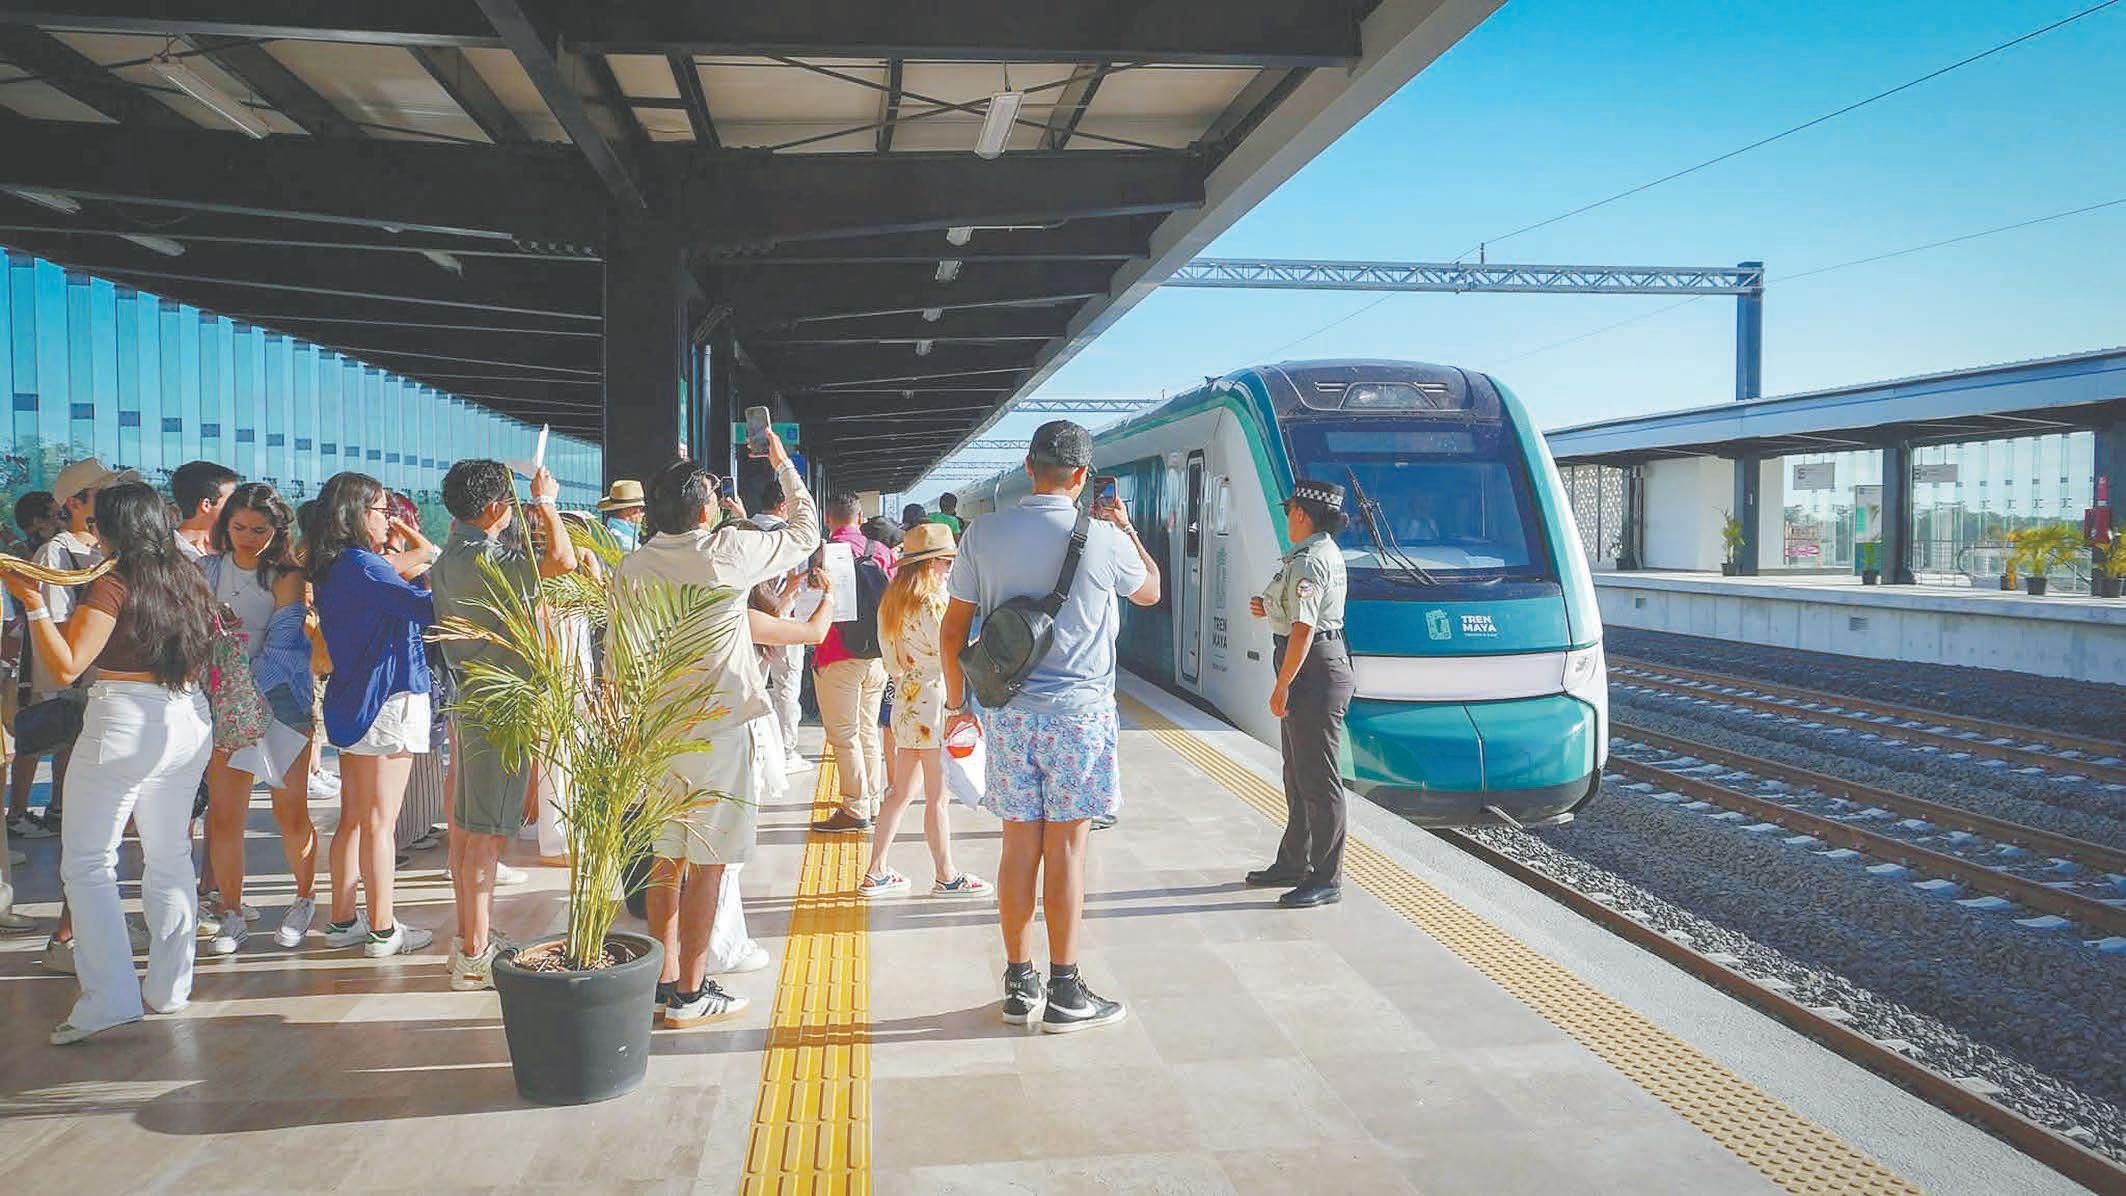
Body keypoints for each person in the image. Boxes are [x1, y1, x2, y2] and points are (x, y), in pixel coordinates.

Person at [941, 420, 1160, 1034]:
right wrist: (1128, 531)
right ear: (1083, 476)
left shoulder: (982, 533)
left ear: (1028, 468)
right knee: (1067, 850)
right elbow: (1150, 592)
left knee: (1017, 848)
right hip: (1079, 719)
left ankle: (1019, 984)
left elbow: (953, 630)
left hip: (1008, 714)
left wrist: (958, 706)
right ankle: (1066, 991)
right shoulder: (1104, 539)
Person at [5, 481, 217, 1044]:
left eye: (97, 524)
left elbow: (66, 666)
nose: (91, 533)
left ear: (114, 529)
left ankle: (109, 998)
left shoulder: (113, 582)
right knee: (169, 856)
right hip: (187, 717)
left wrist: (33, 604)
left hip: (123, 719)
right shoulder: (188, 576)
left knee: (88, 863)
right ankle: (170, 988)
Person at [617, 436, 816, 1028]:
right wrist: (781, 462)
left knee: (665, 859)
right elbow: (805, 531)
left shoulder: (632, 569)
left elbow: (620, 662)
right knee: (708, 864)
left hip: (659, 730)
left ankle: (663, 982)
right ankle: (691, 991)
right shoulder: (725, 552)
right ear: (705, 510)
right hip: (719, 730)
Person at [427, 460, 575, 991]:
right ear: (494, 508)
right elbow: (562, 561)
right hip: (501, 706)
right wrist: (548, 503)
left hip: (470, 698)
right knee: (487, 836)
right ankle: (475, 953)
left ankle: (470, 936)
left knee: (469, 829)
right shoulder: (489, 559)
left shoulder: (448, 557)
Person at [309, 472, 439, 958]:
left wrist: (412, 551)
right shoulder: (364, 565)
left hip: (355, 699)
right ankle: (384, 929)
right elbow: (426, 609)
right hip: (388, 697)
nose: (390, 520)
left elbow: (399, 577)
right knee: (381, 823)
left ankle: (343, 919)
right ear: (360, 513)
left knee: (354, 819)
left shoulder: (338, 564)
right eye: (384, 511)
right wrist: (425, 557)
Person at [197, 483, 320, 953]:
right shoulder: (206, 569)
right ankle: (231, 911)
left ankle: (304, 897)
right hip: (225, 699)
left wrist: (237, 686)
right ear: (225, 526)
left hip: (280, 699)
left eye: (259, 529)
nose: (248, 538)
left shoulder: (286, 574)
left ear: (276, 530)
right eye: (239, 527)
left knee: (290, 812)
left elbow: (285, 645)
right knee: (225, 814)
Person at [28, 458, 139, 973]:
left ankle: (102, 923)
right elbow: (53, 634)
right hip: (86, 700)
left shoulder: (112, 551)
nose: (111, 497)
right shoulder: (57, 554)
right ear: (75, 503)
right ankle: (67, 935)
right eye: (100, 491)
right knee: (87, 832)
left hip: (119, 702)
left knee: (115, 830)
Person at [859, 523, 989, 900]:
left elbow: (891, 663)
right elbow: (951, 653)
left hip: (906, 698)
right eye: (947, 561)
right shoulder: (935, 602)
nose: (950, 568)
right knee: (937, 797)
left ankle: (876, 872)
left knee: (900, 792)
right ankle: (946, 876)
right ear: (931, 564)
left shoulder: (891, 603)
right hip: (937, 700)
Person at [1244, 480, 1356, 909]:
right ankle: (1295, 862)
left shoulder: (1309, 560)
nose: (1287, 517)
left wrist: (1283, 684)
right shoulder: (1317, 553)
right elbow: (1301, 612)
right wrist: (1270, 607)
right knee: (1298, 772)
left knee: (1318, 778)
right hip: (1314, 664)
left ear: (1301, 515)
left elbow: (1305, 629)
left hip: (1312, 670)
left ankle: (1326, 878)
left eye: (1289, 510)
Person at [810, 494, 894, 835]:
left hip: (837, 653)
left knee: (844, 736)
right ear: (860, 518)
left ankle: (855, 808)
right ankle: (871, 801)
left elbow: (808, 605)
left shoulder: (822, 553)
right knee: (867, 731)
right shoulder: (882, 551)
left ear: (827, 519)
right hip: (877, 656)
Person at [745, 476, 809, 774]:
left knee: (753, 685)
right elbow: (801, 582)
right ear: (783, 505)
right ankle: (785, 751)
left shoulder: (744, 530)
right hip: (783, 620)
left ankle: (754, 749)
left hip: (748, 621)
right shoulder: (790, 537)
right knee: (786, 687)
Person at [6, 491, 60, 839]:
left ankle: (54, 807)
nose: (60, 521)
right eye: (54, 515)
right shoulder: (24, 555)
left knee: (57, 733)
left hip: (43, 654)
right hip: (22, 660)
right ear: (37, 522)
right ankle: (17, 812)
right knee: (30, 734)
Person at [169, 460, 239, 562]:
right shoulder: (171, 555)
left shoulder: (226, 549)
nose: (236, 507)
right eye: (231, 500)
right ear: (206, 505)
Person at [598, 479, 646, 552]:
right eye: (641, 509)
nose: (643, 514)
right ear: (629, 510)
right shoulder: (629, 546)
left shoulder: (608, 534)